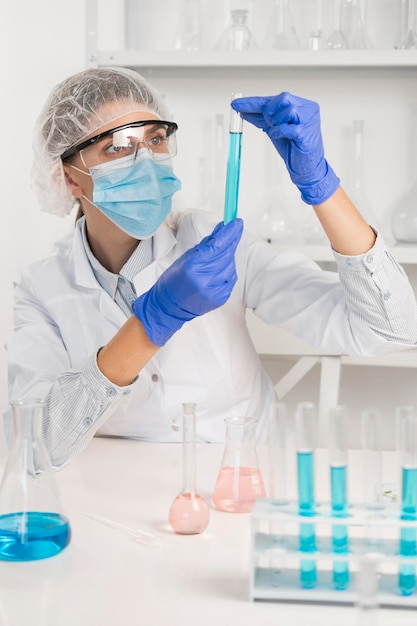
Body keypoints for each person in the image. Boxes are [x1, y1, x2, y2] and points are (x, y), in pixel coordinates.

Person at [5, 66, 417, 469]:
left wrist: (321, 186)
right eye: (118, 146)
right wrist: (152, 323)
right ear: (69, 179)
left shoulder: (213, 242)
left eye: (155, 139)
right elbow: (34, 443)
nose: (147, 161)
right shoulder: (43, 287)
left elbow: (389, 330)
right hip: (121, 494)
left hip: (243, 482)